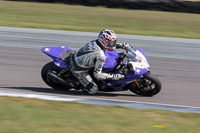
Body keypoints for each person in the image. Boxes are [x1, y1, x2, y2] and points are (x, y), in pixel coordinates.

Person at [68, 29, 129, 94]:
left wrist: (121, 45)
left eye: (114, 42)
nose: (113, 44)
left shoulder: (96, 42)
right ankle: (82, 86)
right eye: (111, 42)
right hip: (78, 69)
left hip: (77, 56)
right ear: (104, 41)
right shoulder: (100, 55)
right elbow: (98, 75)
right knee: (94, 89)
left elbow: (109, 46)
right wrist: (115, 76)